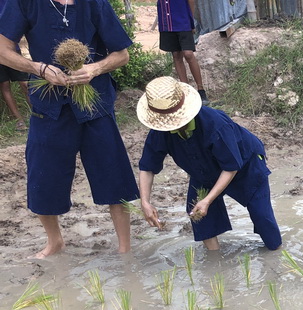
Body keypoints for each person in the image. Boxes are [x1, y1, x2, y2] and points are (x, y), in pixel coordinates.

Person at [0, 0, 139, 258]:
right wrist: (38, 68)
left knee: (114, 176)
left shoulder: (95, 3)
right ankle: (55, 242)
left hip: (94, 105)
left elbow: (122, 54)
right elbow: (2, 48)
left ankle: (125, 249)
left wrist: (94, 68)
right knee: (43, 177)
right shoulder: (24, 2)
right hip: (49, 106)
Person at [137, 76, 281, 251]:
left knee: (262, 216)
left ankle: (275, 252)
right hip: (203, 170)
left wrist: (208, 200)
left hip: (245, 166)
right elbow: (147, 167)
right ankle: (216, 261)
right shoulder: (160, 130)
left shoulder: (216, 124)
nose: (168, 125)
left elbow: (231, 167)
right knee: (199, 216)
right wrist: (145, 201)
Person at [157, 0, 208, 105]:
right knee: (176, 55)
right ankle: (186, 91)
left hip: (183, 20)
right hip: (167, 22)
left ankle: (201, 90)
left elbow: (191, 1)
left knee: (188, 54)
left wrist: (191, 21)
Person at [0, 44, 29, 131]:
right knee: (4, 85)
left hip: (11, 50)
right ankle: (19, 120)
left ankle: (38, 114)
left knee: (25, 83)